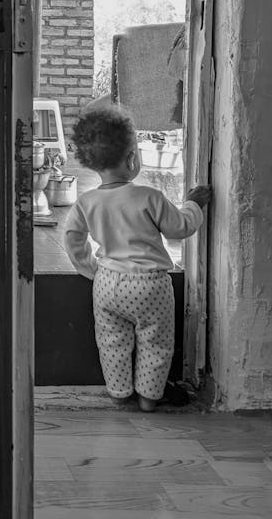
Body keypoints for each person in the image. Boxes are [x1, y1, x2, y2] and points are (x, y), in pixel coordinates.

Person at [63, 105, 211, 412]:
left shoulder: (86, 202)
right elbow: (180, 227)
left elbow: (73, 239)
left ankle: (118, 391)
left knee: (112, 341)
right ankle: (148, 397)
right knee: (155, 342)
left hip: (106, 284)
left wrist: (91, 269)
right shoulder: (149, 198)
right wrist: (193, 204)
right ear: (133, 158)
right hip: (150, 286)